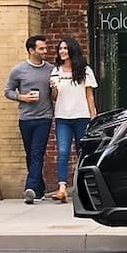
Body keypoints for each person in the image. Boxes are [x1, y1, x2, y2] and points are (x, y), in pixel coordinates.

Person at [5, 35, 54, 204]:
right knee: (30, 154)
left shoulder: (51, 69)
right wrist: (22, 97)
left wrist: (54, 89)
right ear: (31, 50)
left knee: (37, 153)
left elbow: (55, 94)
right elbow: (8, 91)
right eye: (41, 48)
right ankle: (39, 189)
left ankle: (30, 187)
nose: (45, 51)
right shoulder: (18, 70)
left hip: (44, 117)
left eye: (45, 48)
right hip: (25, 118)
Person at [48, 36, 98, 203]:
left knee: (82, 152)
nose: (62, 51)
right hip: (63, 117)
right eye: (60, 49)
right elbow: (54, 97)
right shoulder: (56, 71)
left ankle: (82, 186)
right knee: (62, 152)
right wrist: (54, 89)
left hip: (82, 117)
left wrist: (93, 117)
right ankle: (62, 188)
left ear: (72, 50)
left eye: (65, 48)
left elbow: (89, 96)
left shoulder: (85, 70)